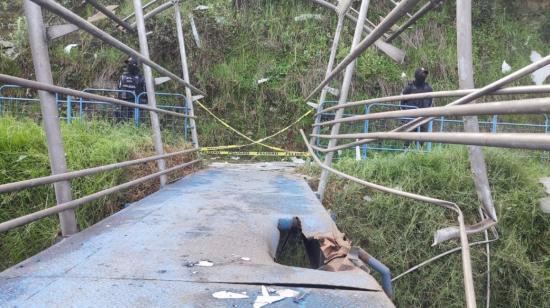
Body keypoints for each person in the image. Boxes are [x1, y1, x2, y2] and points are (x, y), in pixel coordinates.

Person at [400, 67, 433, 147]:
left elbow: (430, 103)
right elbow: (402, 103)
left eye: (425, 73)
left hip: (423, 118)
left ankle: (419, 155)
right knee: (408, 139)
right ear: (417, 75)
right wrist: (405, 116)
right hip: (410, 118)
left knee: (422, 140)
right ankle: (406, 153)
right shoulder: (409, 88)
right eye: (422, 73)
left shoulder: (428, 89)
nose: (424, 75)